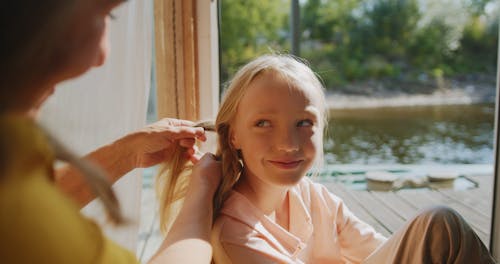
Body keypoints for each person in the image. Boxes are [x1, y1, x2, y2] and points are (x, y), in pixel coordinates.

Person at [156, 54, 496, 263]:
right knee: (439, 227)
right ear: (234, 136)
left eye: (303, 123)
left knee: (436, 231)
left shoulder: (314, 198)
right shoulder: (234, 234)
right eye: (263, 124)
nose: (288, 143)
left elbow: (380, 251)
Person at [0, 0, 221, 263]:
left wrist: (127, 153)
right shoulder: (21, 217)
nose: (104, 54)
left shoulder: (17, 181)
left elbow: (44, 201)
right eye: (105, 15)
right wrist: (202, 190)